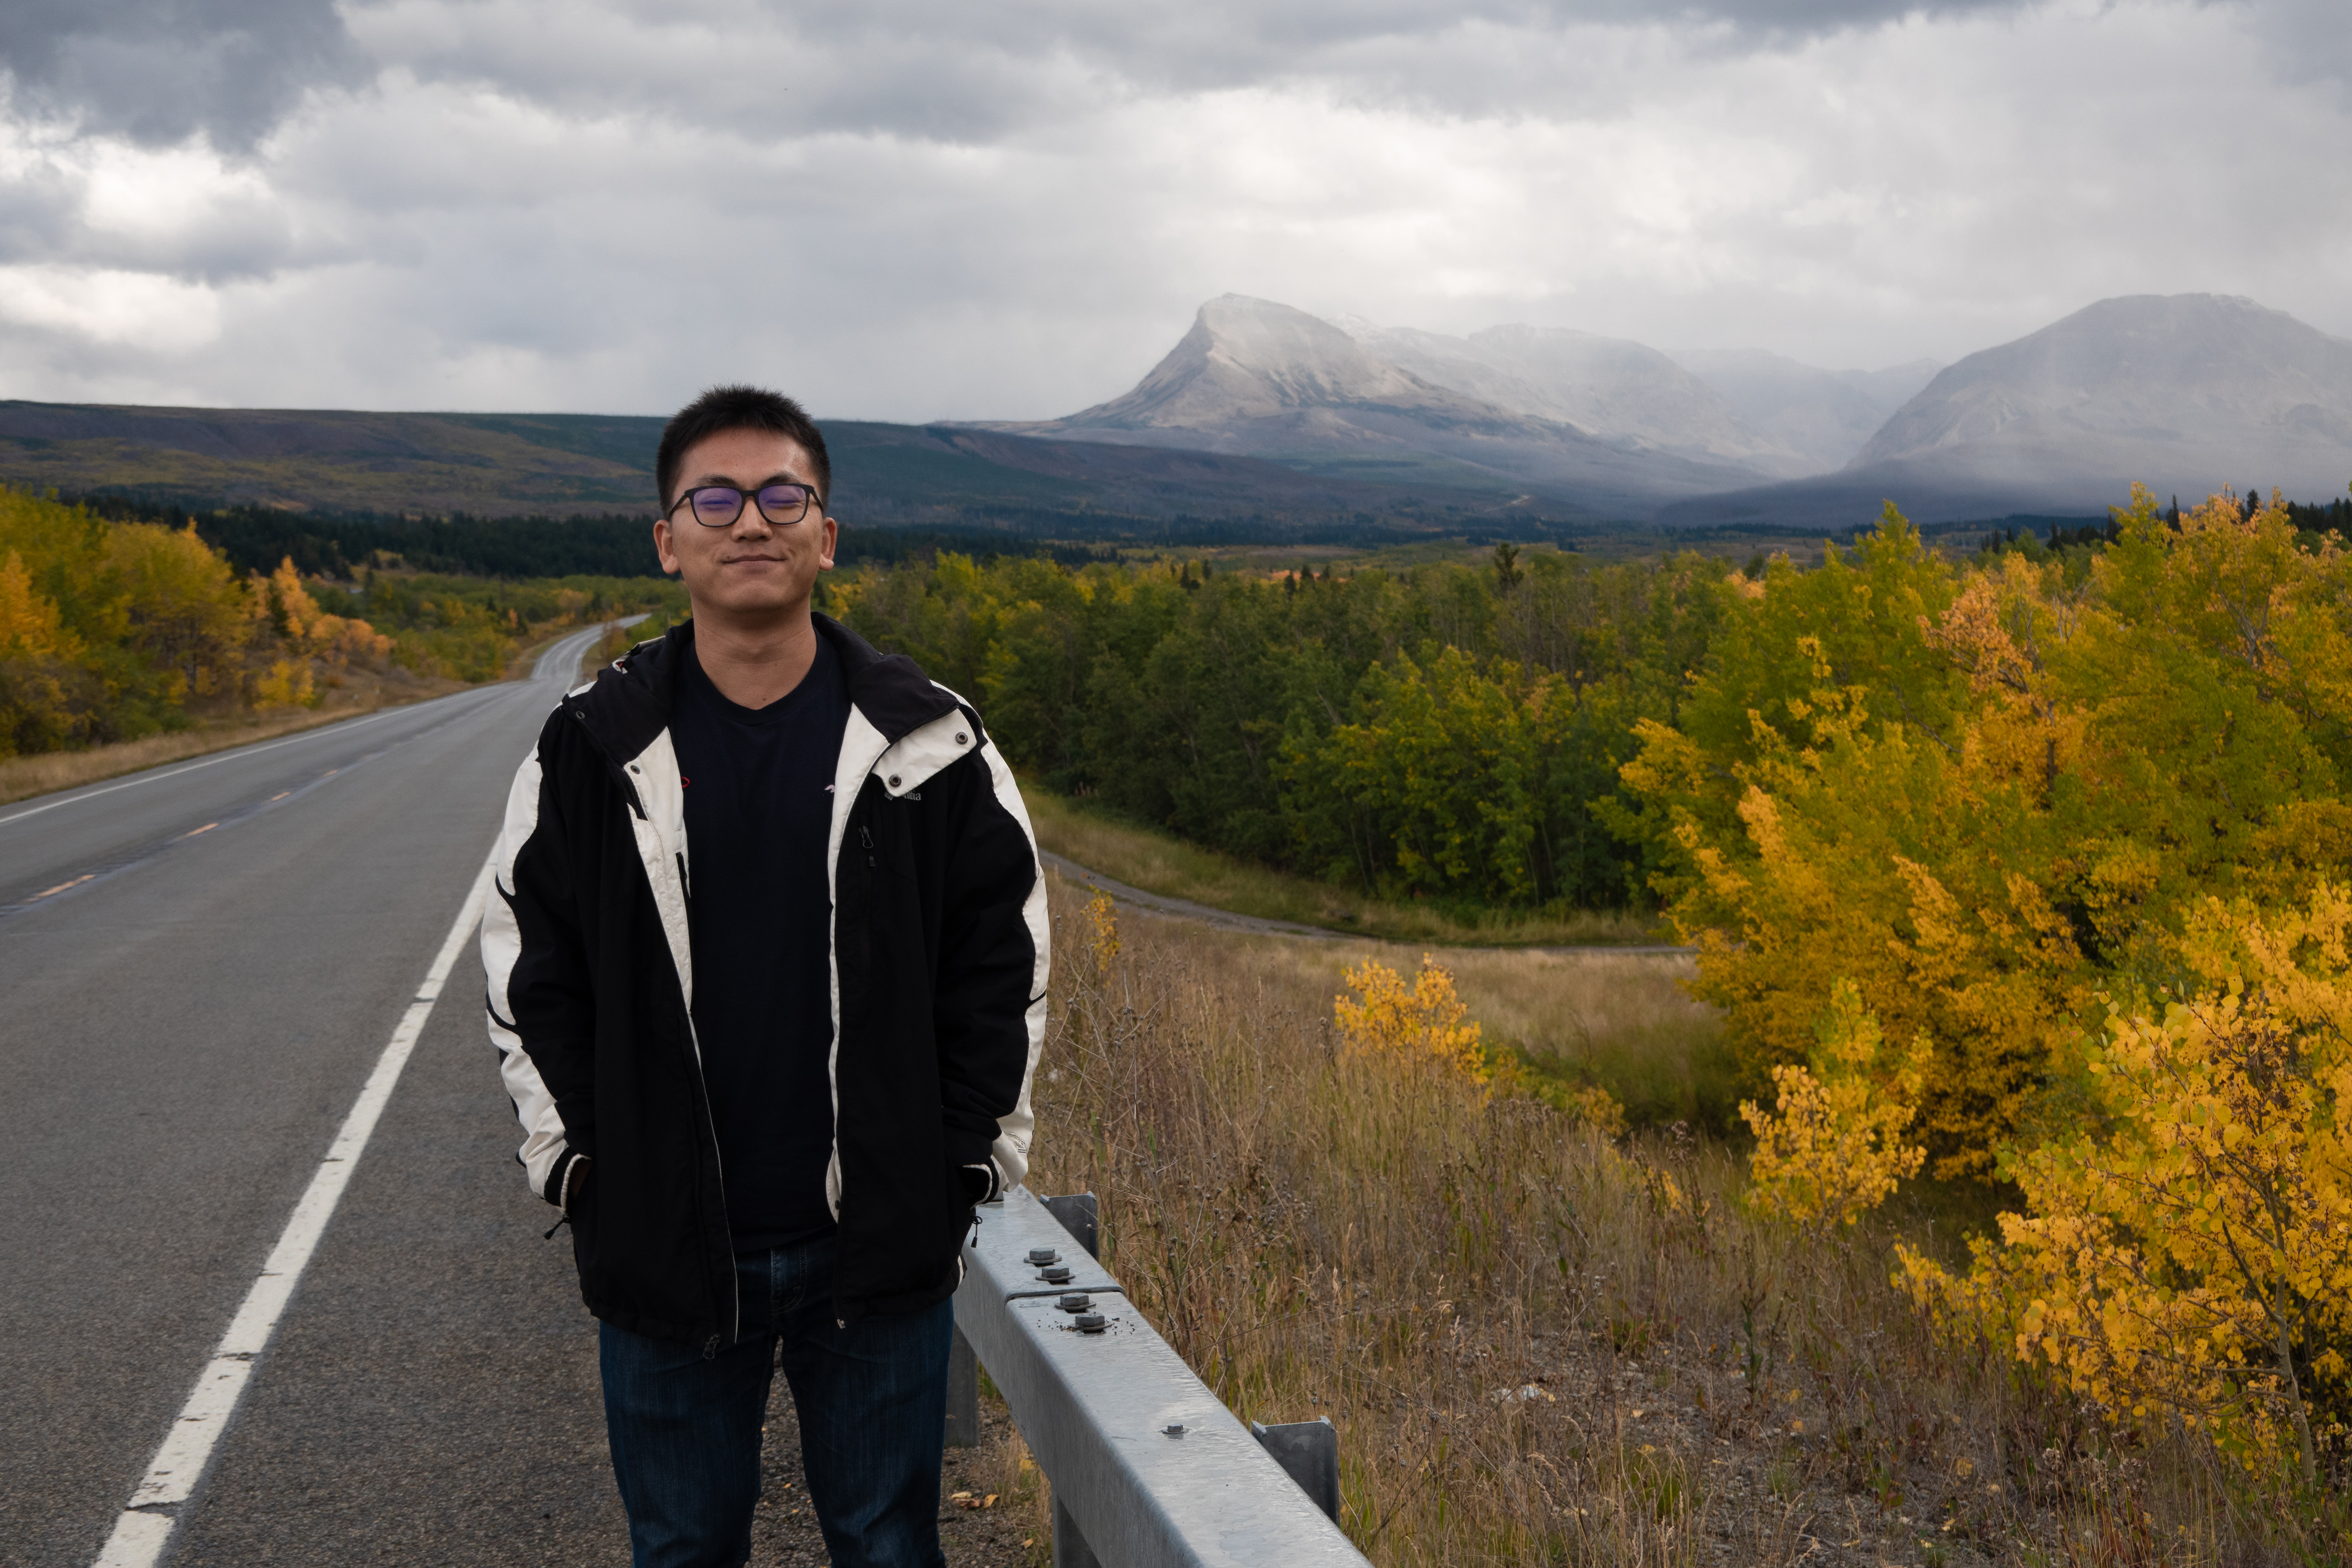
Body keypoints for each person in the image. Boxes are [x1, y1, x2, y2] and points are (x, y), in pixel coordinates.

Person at [482, 385, 1048, 1568]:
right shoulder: (592, 750)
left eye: (784, 494)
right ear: (669, 539)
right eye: (718, 497)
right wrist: (583, 1168)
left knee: (889, 1547)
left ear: (825, 534)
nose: (753, 521)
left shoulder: (931, 745)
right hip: (667, 1247)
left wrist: (962, 1164)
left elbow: (1003, 968)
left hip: (878, 1246)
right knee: (683, 1548)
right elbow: (533, 974)